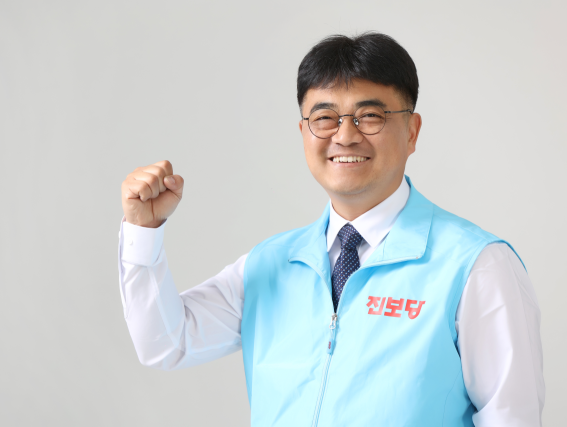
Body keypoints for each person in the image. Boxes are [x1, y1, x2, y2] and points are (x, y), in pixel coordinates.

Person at [117, 33, 544, 426]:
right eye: (324, 118)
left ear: (412, 132)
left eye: (370, 116)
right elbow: (165, 343)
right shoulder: (270, 264)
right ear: (304, 132)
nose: (345, 135)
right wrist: (143, 229)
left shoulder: (475, 266)